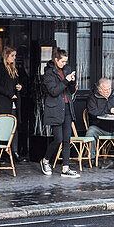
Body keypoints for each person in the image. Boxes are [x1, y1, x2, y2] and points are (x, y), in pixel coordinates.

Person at [41, 48, 81, 178]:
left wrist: (72, 81)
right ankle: (45, 160)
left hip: (67, 107)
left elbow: (71, 91)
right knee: (58, 139)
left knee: (66, 140)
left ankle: (65, 168)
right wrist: (66, 81)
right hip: (55, 109)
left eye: (66, 61)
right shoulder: (48, 73)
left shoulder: (67, 69)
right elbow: (53, 91)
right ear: (56, 60)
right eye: (62, 61)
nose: (64, 64)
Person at [0, 45, 26, 163]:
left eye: (15, 56)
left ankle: (14, 152)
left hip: (12, 103)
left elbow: (16, 83)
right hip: (1, 103)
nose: (15, 58)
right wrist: (9, 94)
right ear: (6, 56)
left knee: (13, 128)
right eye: (12, 56)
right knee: (0, 129)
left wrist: (19, 87)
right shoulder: (0, 68)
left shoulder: (14, 69)